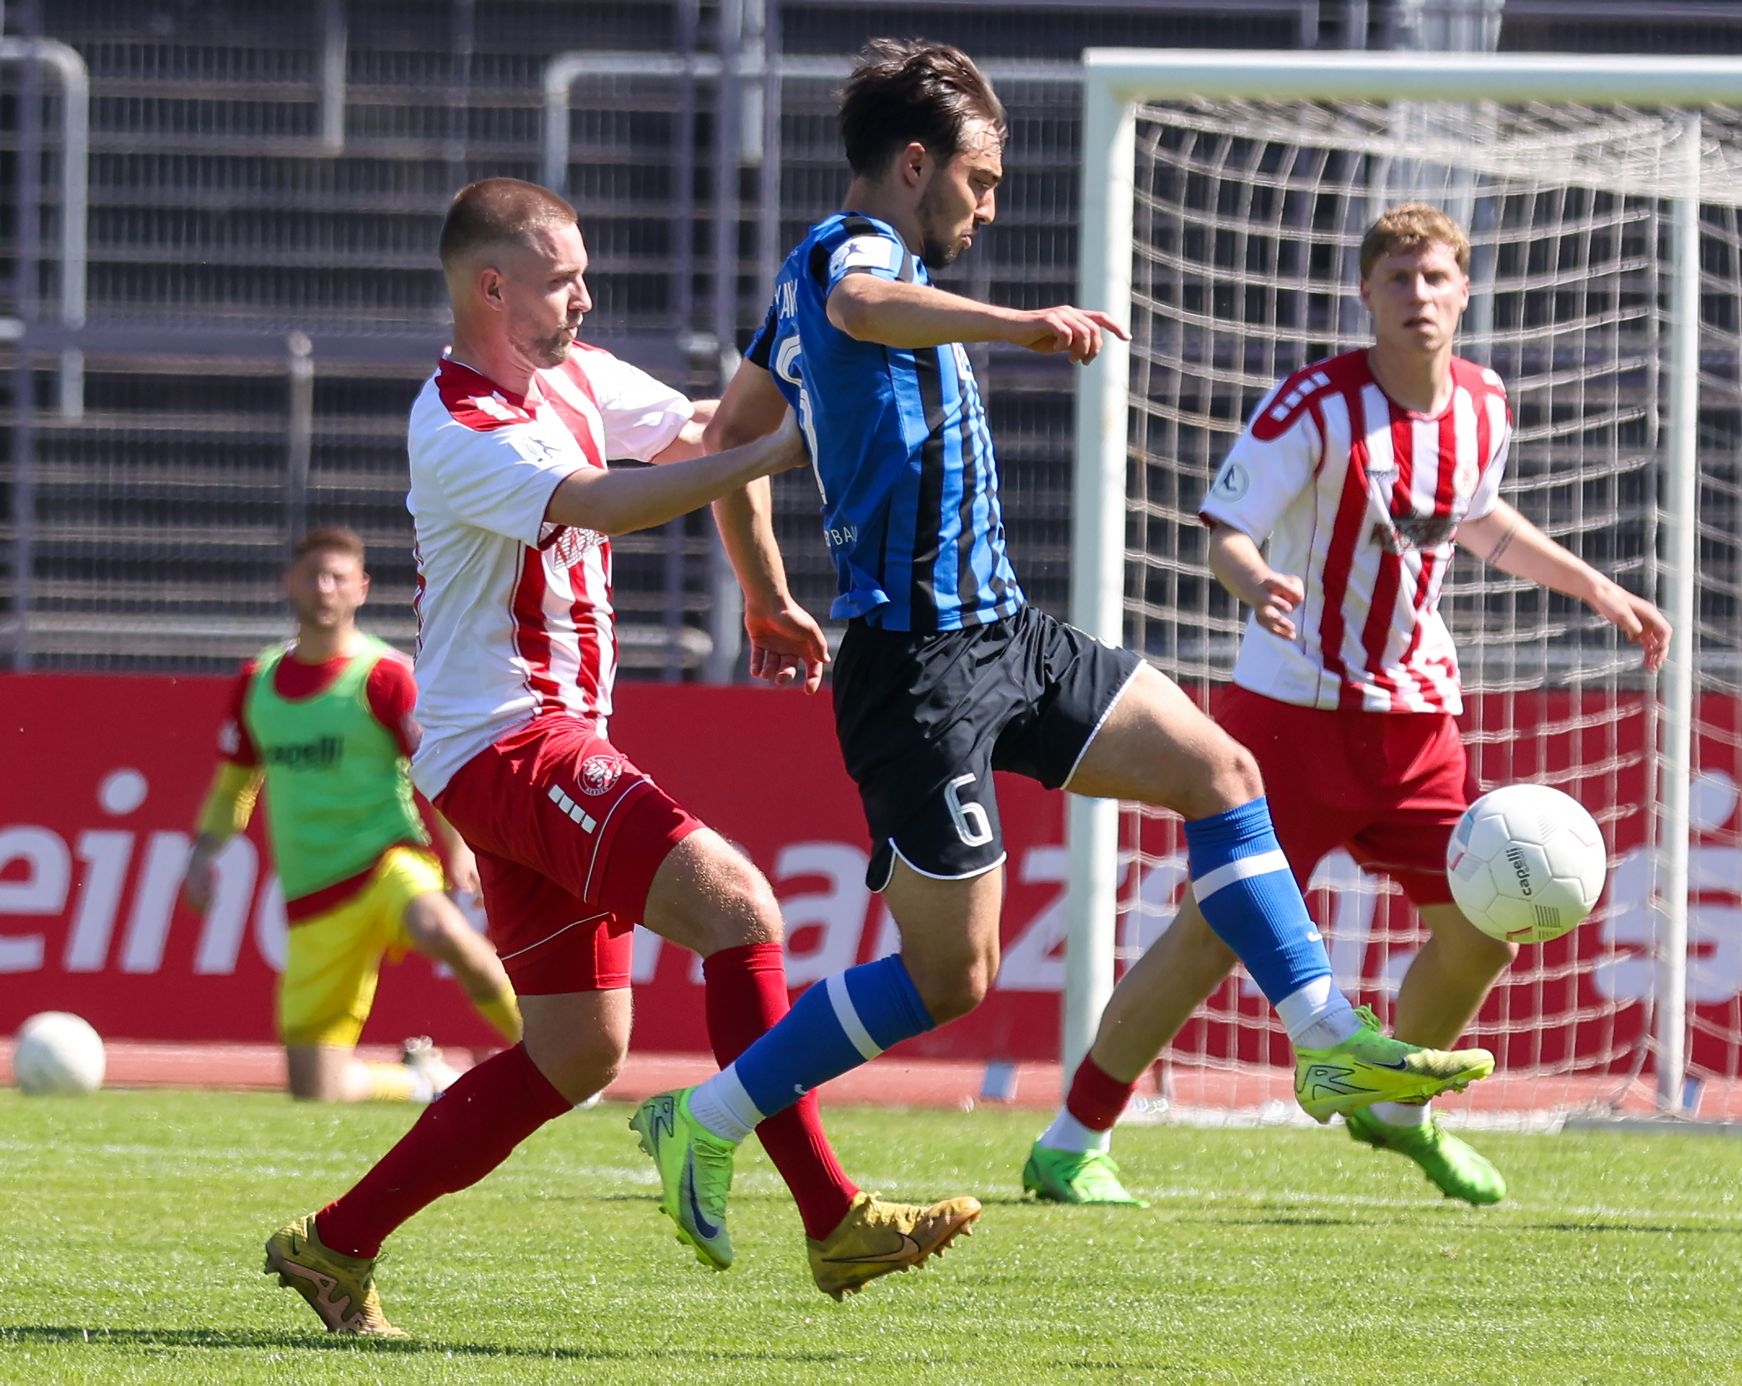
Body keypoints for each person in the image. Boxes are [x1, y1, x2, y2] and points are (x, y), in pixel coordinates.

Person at [628, 40, 1498, 1269]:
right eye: (979, 180)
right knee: (952, 977)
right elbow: (859, 312)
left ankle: (1324, 1039)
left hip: (1008, 632)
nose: (988, 206)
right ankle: (703, 1116)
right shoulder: (846, 254)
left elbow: (734, 440)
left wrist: (767, 599)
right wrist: (1022, 327)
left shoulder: (817, 288)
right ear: (915, 163)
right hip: (917, 668)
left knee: (1221, 773)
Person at [261, 178, 979, 1339]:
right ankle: (831, 1217)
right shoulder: (457, 421)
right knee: (740, 911)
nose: (586, 299)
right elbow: (605, 503)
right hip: (510, 745)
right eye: (563, 281)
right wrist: (790, 443)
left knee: (575, 1052)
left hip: (527, 746)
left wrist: (770, 552)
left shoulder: (576, 376)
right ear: (493, 288)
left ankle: (334, 1243)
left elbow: (706, 434)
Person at [1023, 202, 1673, 1208]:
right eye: (1398, 279)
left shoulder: (1485, 403)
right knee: (1210, 932)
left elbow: (1478, 519)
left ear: (1465, 291)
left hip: (1418, 724)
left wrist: (1595, 588)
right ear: (1367, 293)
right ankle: (1072, 1141)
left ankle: (1395, 1110)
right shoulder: (1313, 406)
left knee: (1484, 931)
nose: (1419, 295)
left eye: (1435, 277)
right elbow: (1227, 528)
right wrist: (1256, 583)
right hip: (1291, 721)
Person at [182, 524, 521, 1104]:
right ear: (290, 582)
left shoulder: (385, 675)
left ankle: (556, 1061)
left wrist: (459, 846)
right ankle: (423, 1080)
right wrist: (202, 854)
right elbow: (233, 786)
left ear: (361, 588)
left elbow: (436, 766)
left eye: (338, 578)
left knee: (446, 933)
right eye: (313, 576)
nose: (325, 588)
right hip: (312, 895)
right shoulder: (258, 682)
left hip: (387, 862)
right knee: (317, 1091)